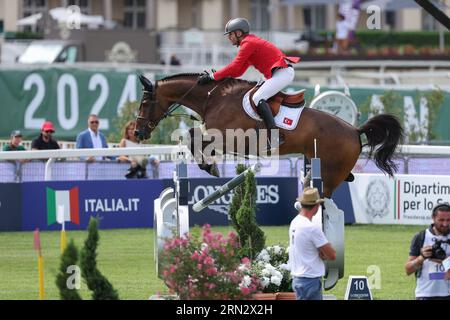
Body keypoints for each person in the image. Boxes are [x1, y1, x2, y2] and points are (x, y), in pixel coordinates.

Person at [197, 17, 300, 149]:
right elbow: (238, 71)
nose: (229, 38)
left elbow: (234, 67)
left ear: (239, 33)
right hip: (279, 73)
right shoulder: (249, 43)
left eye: (230, 34)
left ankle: (275, 137)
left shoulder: (248, 43)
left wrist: (212, 76)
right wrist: (218, 77)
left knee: (258, 98)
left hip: (282, 73)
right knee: (255, 96)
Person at [288, 187, 336, 300]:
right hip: (311, 280)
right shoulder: (312, 228)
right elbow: (331, 255)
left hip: (298, 278)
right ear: (316, 206)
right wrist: (322, 253)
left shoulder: (294, 222)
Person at [405, 203, 450, 300]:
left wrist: (445, 260)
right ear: (433, 218)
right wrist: (421, 258)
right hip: (425, 294)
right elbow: (408, 270)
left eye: (448, 220)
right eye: (441, 220)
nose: (445, 224)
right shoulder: (421, 237)